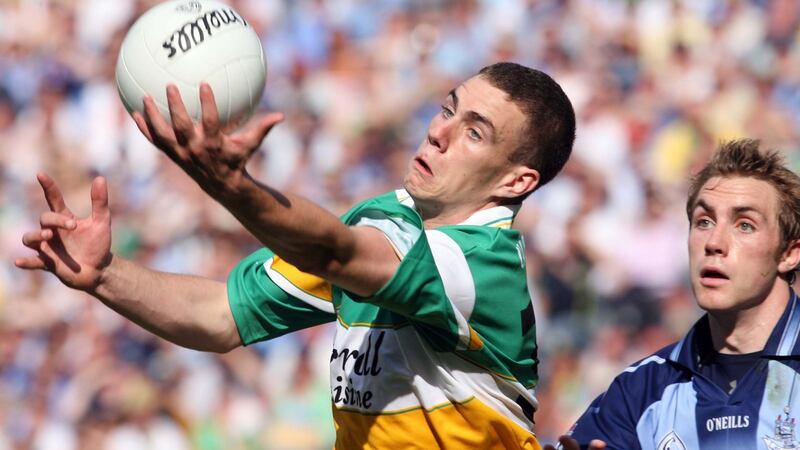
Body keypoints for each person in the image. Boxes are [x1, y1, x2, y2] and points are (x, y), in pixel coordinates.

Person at [15, 62, 576, 449]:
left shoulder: (479, 265)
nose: (438, 133)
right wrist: (104, 276)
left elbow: (335, 253)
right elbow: (221, 317)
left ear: (514, 180)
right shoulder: (389, 216)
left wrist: (232, 187)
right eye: (447, 110)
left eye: (474, 133)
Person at [562, 139, 800, 449]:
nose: (714, 242)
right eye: (704, 221)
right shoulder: (639, 391)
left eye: (744, 225)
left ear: (790, 253)